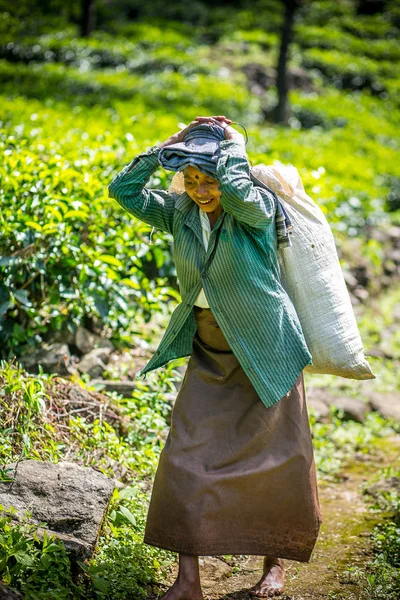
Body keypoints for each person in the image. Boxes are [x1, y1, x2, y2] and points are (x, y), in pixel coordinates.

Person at [108, 115, 323, 599]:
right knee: (185, 455)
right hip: (210, 349)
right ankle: (188, 581)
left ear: (228, 176)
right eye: (193, 179)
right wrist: (166, 146)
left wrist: (230, 144)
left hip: (266, 347)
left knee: (279, 457)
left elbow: (241, 188)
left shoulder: (254, 209)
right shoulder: (179, 212)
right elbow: (123, 191)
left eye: (211, 180)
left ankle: (275, 564)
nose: (203, 190)